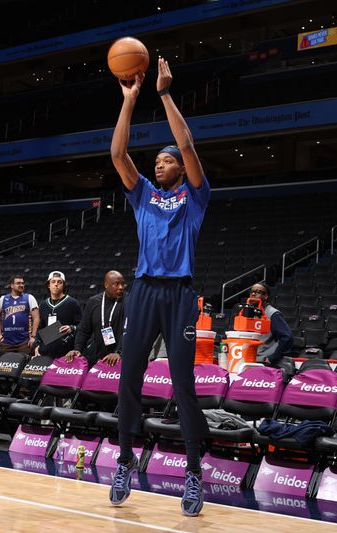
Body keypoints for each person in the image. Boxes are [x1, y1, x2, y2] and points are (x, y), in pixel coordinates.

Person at [108, 58, 209, 516]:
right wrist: (129, 101)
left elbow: (187, 143)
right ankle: (125, 460)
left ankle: (193, 473)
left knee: (182, 383)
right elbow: (118, 156)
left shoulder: (194, 195)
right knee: (129, 377)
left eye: (166, 160)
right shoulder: (143, 193)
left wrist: (165, 94)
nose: (161, 163)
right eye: (158, 161)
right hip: (145, 292)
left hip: (180, 294)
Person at [66, 271, 125, 366]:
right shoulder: (94, 302)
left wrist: (118, 352)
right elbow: (84, 330)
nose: (121, 287)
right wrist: (77, 349)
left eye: (122, 284)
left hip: (119, 358)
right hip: (98, 356)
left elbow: (129, 331)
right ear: (106, 285)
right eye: (116, 284)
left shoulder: (129, 301)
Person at [34, 271, 82, 358]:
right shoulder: (43, 305)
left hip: (65, 352)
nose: (56, 284)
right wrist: (37, 345)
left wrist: (72, 328)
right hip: (46, 350)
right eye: (53, 282)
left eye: (59, 282)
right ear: (48, 285)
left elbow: (82, 325)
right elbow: (41, 328)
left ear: (63, 285)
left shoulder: (72, 303)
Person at [248, 283, 294, 365]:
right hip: (247, 357)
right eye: (252, 291)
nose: (254, 294)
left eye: (258, 292)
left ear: (266, 296)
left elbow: (287, 337)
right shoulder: (247, 312)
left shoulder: (273, 314)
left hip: (263, 360)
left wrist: (273, 358)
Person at [0, 275, 40, 353]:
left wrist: (33, 337)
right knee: (7, 364)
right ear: (11, 285)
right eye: (18, 283)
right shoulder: (3, 299)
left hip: (25, 342)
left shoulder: (29, 298)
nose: (21, 285)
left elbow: (36, 318)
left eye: (23, 283)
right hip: (7, 342)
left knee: (24, 363)